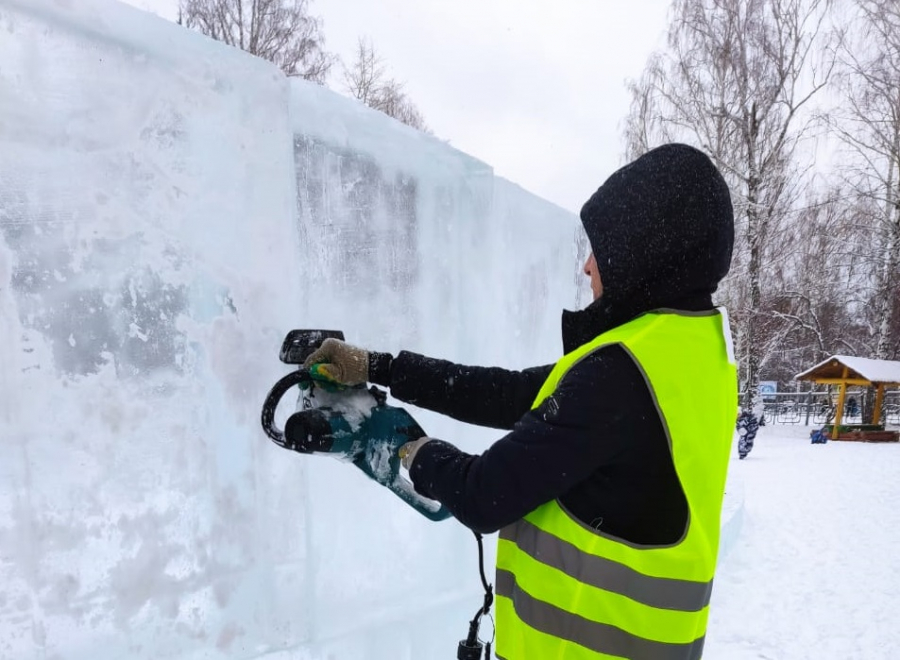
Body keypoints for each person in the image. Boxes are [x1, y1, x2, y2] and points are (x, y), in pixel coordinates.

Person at [304, 143, 737, 660]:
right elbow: (509, 392)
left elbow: (486, 494)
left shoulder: (620, 374)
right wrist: (381, 367)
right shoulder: (690, 355)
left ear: (643, 255)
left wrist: (401, 446)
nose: (586, 267)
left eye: (601, 250)